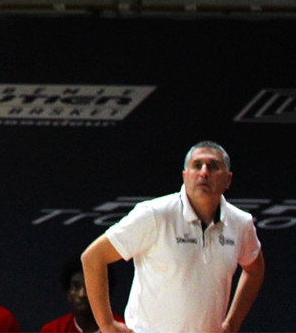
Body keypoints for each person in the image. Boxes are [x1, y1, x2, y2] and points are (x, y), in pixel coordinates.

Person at [80, 141, 263, 333]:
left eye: (214, 166)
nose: (204, 173)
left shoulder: (240, 223)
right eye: (197, 165)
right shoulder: (155, 215)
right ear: (185, 176)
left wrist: (231, 324)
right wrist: (107, 325)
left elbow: (255, 269)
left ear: (228, 179)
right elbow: (93, 257)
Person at [42, 259, 120, 332]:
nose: (82, 294)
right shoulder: (53, 330)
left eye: (89, 287)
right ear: (69, 293)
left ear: (104, 292)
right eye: (76, 287)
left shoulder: (124, 330)